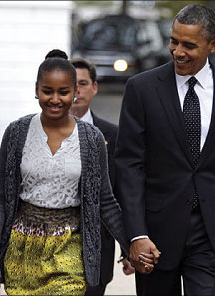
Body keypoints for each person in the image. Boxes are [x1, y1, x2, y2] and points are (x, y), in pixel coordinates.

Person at [114, 4, 215, 296]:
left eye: (189, 45)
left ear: (214, 45)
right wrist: (136, 234)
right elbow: (129, 166)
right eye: (174, 41)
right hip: (155, 235)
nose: (177, 51)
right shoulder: (141, 89)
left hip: (212, 233)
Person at [0, 49, 142, 296]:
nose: (55, 99)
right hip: (21, 250)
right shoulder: (17, 132)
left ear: (74, 92)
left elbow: (105, 201)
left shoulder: (92, 139)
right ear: (36, 89)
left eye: (63, 92)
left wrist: (131, 245)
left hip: (69, 247)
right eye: (47, 91)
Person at [69, 58, 135, 296]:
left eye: (83, 83)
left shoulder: (112, 135)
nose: (77, 90)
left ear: (94, 87)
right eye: (71, 83)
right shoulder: (37, 132)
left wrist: (128, 247)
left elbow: (120, 194)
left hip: (97, 252)